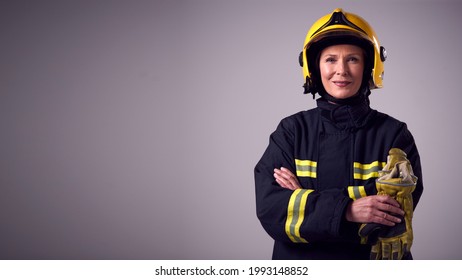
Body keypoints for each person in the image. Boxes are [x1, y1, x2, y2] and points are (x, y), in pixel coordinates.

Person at [254, 8, 423, 260]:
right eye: (330, 59)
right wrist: (350, 209)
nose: (341, 70)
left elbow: (391, 215)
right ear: (314, 67)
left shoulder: (394, 135)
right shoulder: (291, 132)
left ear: (369, 67)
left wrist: (304, 199)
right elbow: (272, 210)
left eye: (353, 59)